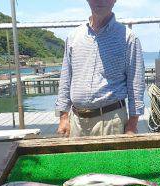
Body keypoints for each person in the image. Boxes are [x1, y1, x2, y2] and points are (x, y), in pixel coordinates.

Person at [56, 0, 145, 137]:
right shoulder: (73, 36)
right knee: (76, 159)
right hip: (76, 122)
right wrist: (63, 116)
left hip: (111, 121)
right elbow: (66, 78)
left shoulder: (128, 38)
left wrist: (132, 124)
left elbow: (136, 83)